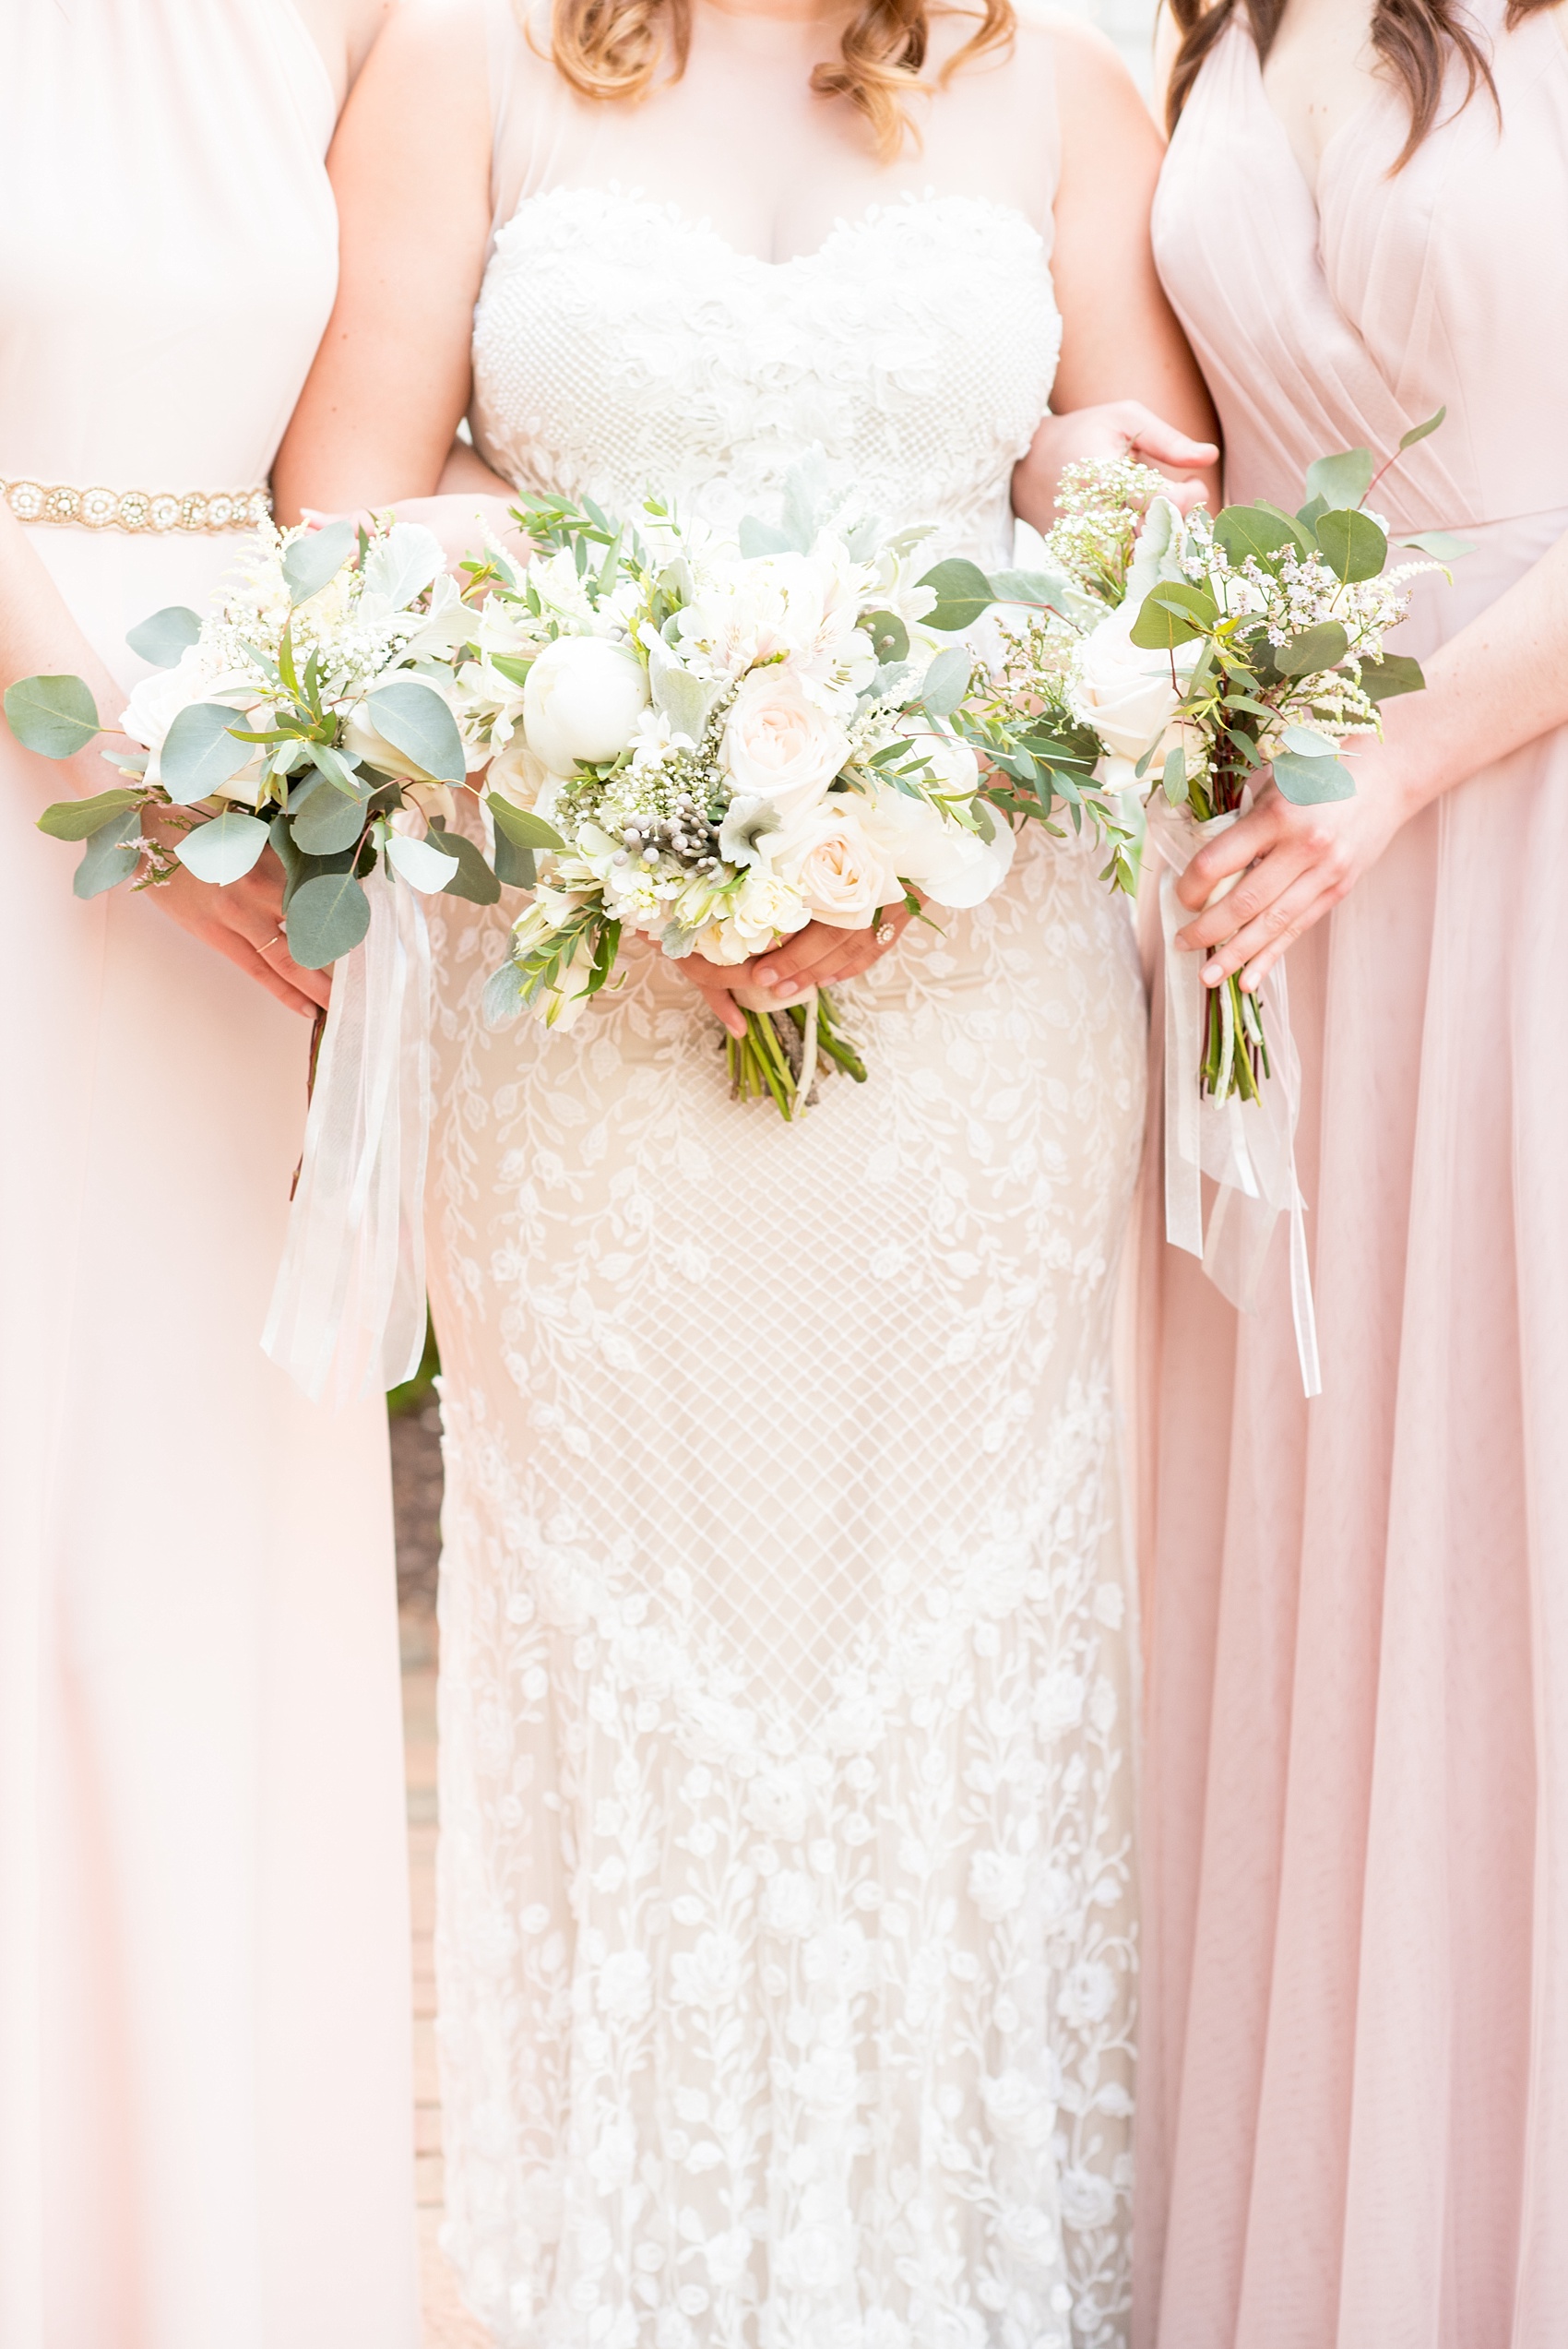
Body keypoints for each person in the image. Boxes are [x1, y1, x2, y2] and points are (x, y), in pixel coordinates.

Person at [277, 0, 1215, 2332]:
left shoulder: (1070, 85)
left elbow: (1147, 555)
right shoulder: (464, 62)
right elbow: (339, 528)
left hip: (976, 1020)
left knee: (948, 1687)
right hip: (586, 1027)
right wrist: (623, 831)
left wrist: (958, 763)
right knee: (639, 1691)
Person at [1134, 0, 1568, 2339]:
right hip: (1268, 864)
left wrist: (1392, 775)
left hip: (1508, 815)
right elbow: (1190, 443)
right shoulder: (1217, 17)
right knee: (1310, 1548)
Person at [0, 6, 419, 2343]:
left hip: (255, 823)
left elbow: (362, 446)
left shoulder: (337, 18)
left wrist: (329, 782)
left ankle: (200, 2248)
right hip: (54, 789)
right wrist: (120, 802)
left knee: (194, 1500)